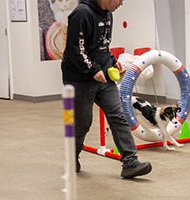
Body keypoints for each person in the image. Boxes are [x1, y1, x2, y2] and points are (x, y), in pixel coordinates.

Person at [61, 0, 152, 178]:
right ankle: (71, 156)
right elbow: (75, 49)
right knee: (83, 123)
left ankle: (130, 162)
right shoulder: (81, 14)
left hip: (103, 76)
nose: (122, 3)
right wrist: (93, 70)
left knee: (118, 115)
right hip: (79, 78)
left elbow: (101, 45)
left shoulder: (108, 14)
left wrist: (111, 60)